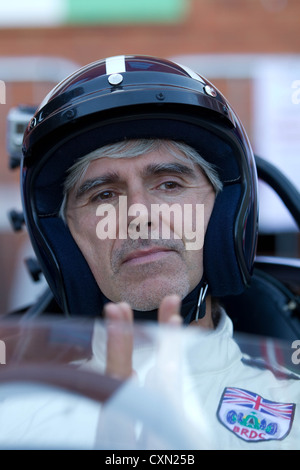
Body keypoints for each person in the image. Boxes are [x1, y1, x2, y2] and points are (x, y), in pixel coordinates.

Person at [16, 54, 299, 449]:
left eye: (169, 184)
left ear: (224, 213)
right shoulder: (16, 421)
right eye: (104, 195)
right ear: (65, 239)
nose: (140, 216)